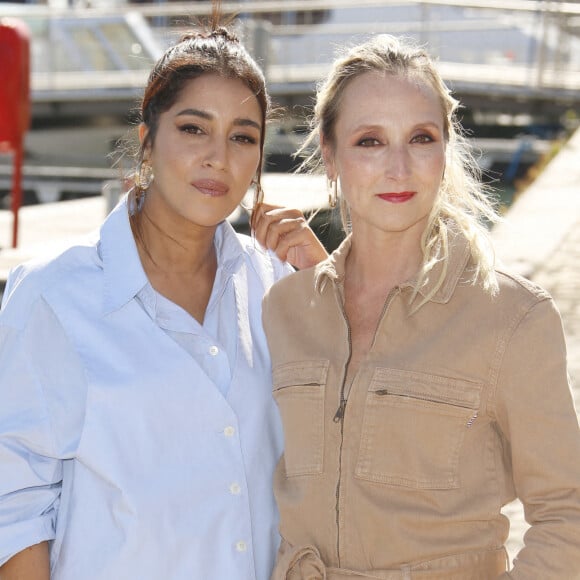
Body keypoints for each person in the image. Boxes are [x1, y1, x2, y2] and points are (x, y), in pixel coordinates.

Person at [0, 6, 327, 579]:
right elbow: (14, 507)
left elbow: (348, 441)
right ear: (147, 141)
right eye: (193, 128)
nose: (217, 157)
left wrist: (325, 287)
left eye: (242, 137)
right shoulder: (56, 295)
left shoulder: (276, 285)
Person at [262, 34, 580, 579]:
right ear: (330, 154)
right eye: (369, 141)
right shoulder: (285, 309)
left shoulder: (512, 317)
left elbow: (566, 512)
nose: (399, 168)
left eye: (421, 138)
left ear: (445, 149)